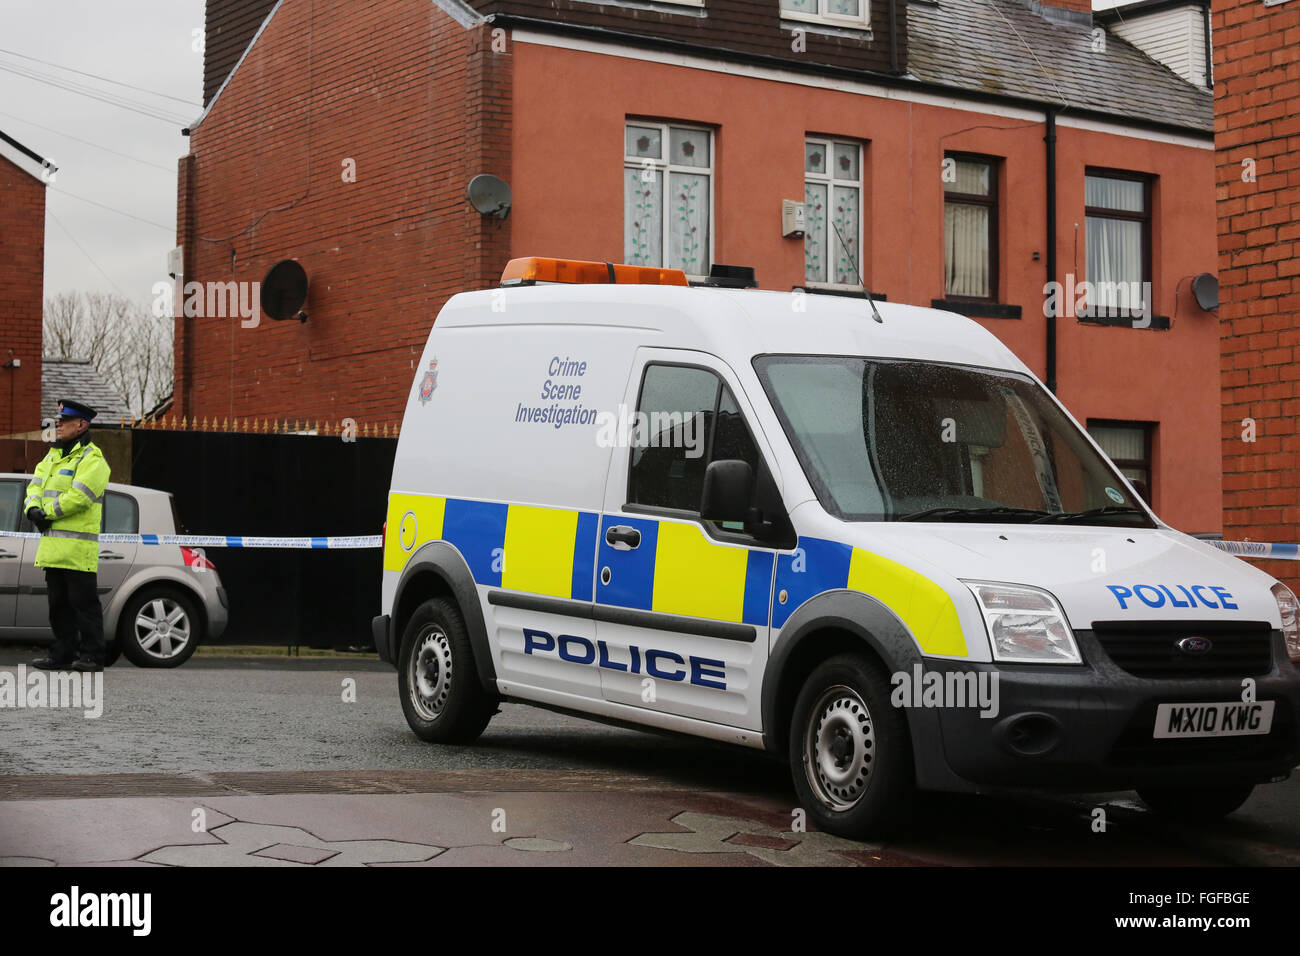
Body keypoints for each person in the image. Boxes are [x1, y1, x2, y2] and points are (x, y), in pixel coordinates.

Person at [24, 400, 112, 672]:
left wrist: (46, 512)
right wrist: (32, 509)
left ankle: (93, 656)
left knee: (84, 607)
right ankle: (62, 654)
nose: (58, 424)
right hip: (53, 549)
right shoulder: (51, 456)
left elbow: (80, 497)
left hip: (77, 552)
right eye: (58, 420)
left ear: (82, 425)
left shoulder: (93, 460)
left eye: (65, 421)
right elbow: (34, 487)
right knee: (58, 608)